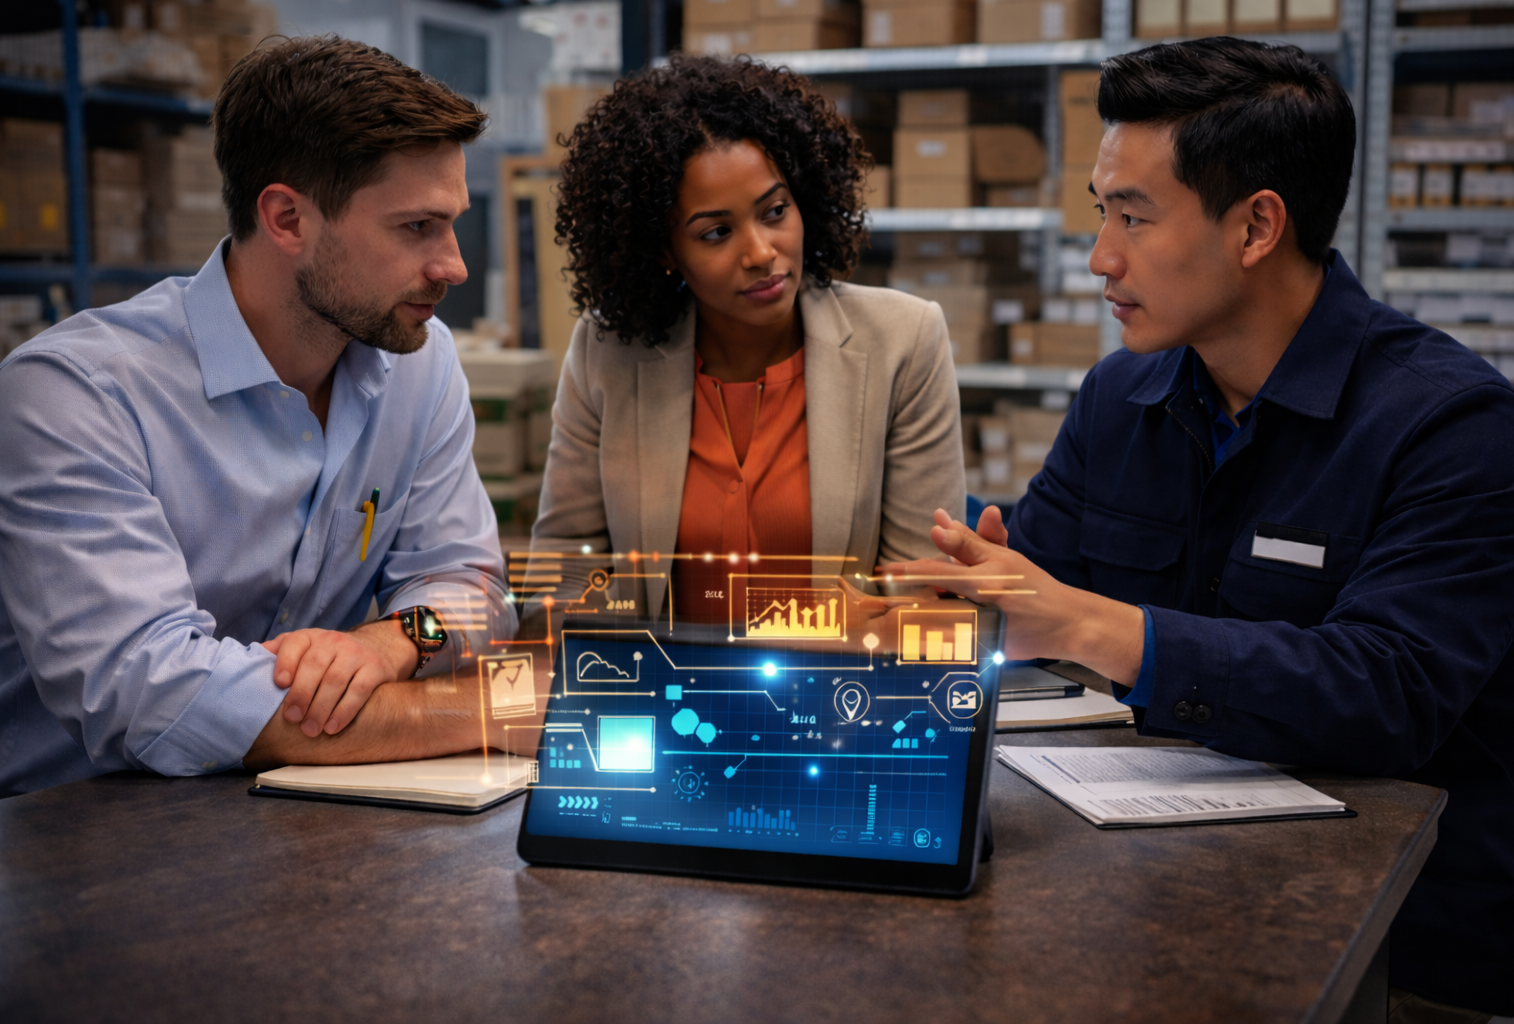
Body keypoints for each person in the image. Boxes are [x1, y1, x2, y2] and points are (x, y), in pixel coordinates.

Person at [886, 39, 1514, 1022]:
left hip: (1407, 960)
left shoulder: (1456, 431)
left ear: (1256, 226)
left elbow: (1384, 695)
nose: (1102, 254)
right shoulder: (1120, 398)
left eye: (1135, 217)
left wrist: (1086, 625)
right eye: (1102, 211)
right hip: (1150, 906)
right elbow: (1033, 591)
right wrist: (968, 594)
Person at [0, 37, 526, 796]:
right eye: (416, 228)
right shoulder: (74, 395)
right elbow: (154, 694)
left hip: (296, 821)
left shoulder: (420, 361)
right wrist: (482, 713)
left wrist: (396, 639)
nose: (453, 265)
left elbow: (468, 585)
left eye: (451, 223)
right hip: (80, 843)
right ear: (286, 219)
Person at [529, 56, 966, 621]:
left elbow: (920, 597)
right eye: (716, 232)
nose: (761, 253)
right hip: (665, 701)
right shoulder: (605, 353)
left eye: (775, 211)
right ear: (664, 251)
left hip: (840, 700)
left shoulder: (905, 342)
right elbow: (558, 581)